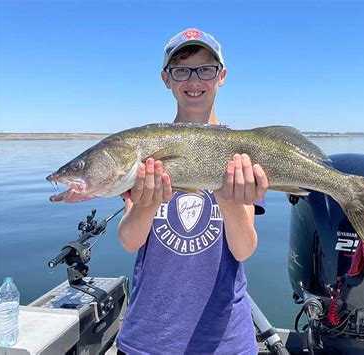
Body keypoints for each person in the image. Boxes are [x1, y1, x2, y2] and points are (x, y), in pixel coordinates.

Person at [116, 28, 268, 355]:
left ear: (222, 76)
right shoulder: (144, 150)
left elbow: (243, 249)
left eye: (206, 69)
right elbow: (130, 241)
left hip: (225, 341)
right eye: (182, 70)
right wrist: (143, 206)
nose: (194, 80)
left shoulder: (243, 153)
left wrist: (229, 202)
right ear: (166, 78)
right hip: (149, 338)